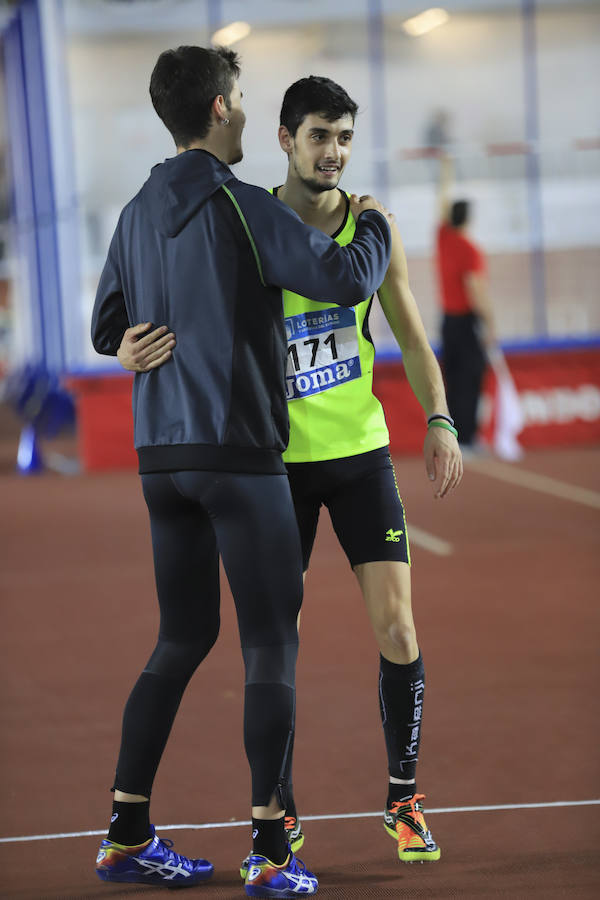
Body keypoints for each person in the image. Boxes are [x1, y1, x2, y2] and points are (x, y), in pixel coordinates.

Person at [118, 75, 462, 873]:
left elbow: (411, 333)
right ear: (284, 139)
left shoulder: (374, 226)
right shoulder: (251, 218)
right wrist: (125, 344)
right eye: (318, 136)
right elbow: (185, 306)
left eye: (344, 138)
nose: (334, 153)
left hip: (359, 456)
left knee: (399, 628)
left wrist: (439, 414)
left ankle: (404, 799)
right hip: (271, 466)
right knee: (280, 642)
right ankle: (280, 805)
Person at [435, 154, 497, 450]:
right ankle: (469, 438)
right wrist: (490, 323)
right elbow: (476, 291)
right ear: (469, 219)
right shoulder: (470, 248)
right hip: (466, 321)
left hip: (447, 321)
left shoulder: (443, 238)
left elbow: (442, 204)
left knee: (453, 379)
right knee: (470, 379)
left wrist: (446, 171)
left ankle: (456, 435)